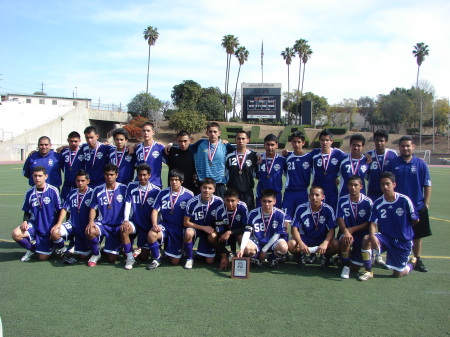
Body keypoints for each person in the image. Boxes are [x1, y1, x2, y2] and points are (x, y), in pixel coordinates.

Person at [358, 172, 419, 281]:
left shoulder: (404, 200)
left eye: (388, 184)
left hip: (402, 240)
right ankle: (368, 271)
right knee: (366, 239)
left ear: (394, 184)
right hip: (386, 238)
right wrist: (372, 235)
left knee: (398, 274)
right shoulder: (378, 203)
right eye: (382, 184)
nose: (385, 187)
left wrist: (404, 230)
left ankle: (412, 264)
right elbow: (372, 223)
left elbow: (415, 219)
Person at [385, 136, 432, 272]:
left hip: (417, 206)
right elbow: (387, 183)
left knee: (417, 235)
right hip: (398, 207)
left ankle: (417, 259)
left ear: (413, 147)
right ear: (399, 148)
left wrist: (426, 204)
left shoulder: (421, 164)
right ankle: (392, 258)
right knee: (393, 233)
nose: (405, 148)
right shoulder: (393, 163)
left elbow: (427, 184)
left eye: (408, 146)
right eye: (402, 146)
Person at [146, 169, 194, 269]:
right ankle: (157, 258)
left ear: (181, 181)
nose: (174, 182)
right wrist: (155, 224)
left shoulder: (189, 195)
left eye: (176, 180)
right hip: (165, 225)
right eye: (172, 179)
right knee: (152, 234)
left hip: (179, 228)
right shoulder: (163, 193)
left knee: (174, 262)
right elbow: (155, 210)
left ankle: (186, 254)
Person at [12, 166, 62, 261]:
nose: (37, 178)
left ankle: (53, 245)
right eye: (35, 176)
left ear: (46, 176)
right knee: (16, 233)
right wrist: (25, 222)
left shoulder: (53, 190)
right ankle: (32, 249)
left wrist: (57, 224)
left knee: (42, 258)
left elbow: (60, 210)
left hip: (48, 228)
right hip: (34, 225)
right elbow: (27, 210)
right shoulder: (29, 192)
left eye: (40, 176)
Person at [85, 164, 128, 266]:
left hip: (117, 226)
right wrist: (91, 222)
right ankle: (96, 254)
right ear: (104, 175)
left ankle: (115, 246)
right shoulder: (97, 190)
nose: (109, 177)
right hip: (102, 224)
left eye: (112, 174)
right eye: (107, 174)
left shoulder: (124, 188)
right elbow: (93, 208)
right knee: (90, 231)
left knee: (111, 259)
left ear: (116, 175)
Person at [288, 185, 339, 270]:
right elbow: (294, 229)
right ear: (309, 196)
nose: (314, 197)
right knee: (291, 244)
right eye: (312, 195)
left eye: (317, 195)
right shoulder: (301, 208)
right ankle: (300, 256)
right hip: (306, 238)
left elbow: (331, 230)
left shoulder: (328, 209)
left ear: (322, 197)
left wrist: (325, 243)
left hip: (321, 238)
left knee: (336, 244)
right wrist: (301, 244)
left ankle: (326, 257)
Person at [120, 164, 160, 270]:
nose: (142, 177)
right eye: (140, 175)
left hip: (147, 226)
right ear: (137, 176)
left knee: (144, 258)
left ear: (149, 175)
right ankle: (129, 258)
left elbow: (158, 211)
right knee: (124, 229)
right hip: (135, 222)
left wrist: (155, 224)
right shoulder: (132, 186)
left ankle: (142, 250)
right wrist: (126, 220)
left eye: (144, 175)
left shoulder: (156, 191)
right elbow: (128, 203)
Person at [237, 188, 288, 269]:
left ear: (274, 201)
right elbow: (247, 232)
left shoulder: (280, 214)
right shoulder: (253, 213)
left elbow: (277, 235)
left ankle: (272, 258)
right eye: (264, 201)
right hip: (257, 241)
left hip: (272, 240)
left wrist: (264, 250)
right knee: (247, 248)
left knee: (283, 247)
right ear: (260, 201)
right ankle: (257, 259)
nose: (267, 204)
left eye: (269, 201)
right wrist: (242, 249)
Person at [50, 170, 93, 260]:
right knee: (54, 233)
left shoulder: (92, 193)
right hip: (72, 224)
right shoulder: (72, 193)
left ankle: (90, 247)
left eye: (82, 181)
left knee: (83, 257)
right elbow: (65, 208)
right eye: (78, 181)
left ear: (88, 181)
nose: (80, 183)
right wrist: (58, 223)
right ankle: (64, 249)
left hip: (84, 227)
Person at [336, 175, 373, 279]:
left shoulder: (368, 202)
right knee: (345, 239)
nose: (353, 187)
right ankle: (345, 266)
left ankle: (355, 259)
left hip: (361, 234)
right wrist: (346, 232)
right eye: (351, 185)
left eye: (356, 185)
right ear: (347, 186)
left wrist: (352, 229)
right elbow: (340, 218)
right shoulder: (342, 200)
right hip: (347, 233)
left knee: (356, 268)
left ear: (361, 186)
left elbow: (369, 222)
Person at [183, 177, 223, 269]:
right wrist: (203, 228)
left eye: (210, 188)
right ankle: (189, 258)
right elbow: (186, 223)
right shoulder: (192, 202)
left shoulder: (219, 201)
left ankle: (218, 252)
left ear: (214, 190)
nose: (207, 190)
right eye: (204, 187)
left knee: (210, 262)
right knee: (188, 232)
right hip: (196, 228)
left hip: (210, 230)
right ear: (201, 188)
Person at [189, 122, 234, 199]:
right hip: (203, 183)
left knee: (220, 208)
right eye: (210, 131)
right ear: (207, 133)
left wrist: (256, 154)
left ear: (219, 133)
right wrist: (171, 145)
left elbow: (241, 151)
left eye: (215, 132)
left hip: (219, 183)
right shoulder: (200, 143)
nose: (213, 134)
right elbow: (185, 146)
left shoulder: (225, 145)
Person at [310, 129, 347, 211]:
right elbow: (301, 155)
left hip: (331, 191)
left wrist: (366, 155)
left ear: (331, 141)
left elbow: (352, 157)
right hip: (317, 191)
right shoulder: (314, 153)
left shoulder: (338, 153)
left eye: (327, 140)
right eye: (322, 140)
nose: (325, 142)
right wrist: (287, 153)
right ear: (319, 141)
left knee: (332, 215)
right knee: (317, 214)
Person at [215, 188, 249, 270]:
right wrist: (224, 257)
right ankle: (224, 254)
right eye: (227, 200)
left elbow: (246, 227)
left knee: (241, 236)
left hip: (237, 232)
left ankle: (242, 257)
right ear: (224, 200)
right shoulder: (219, 210)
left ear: (238, 200)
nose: (230, 203)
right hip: (224, 233)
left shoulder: (242, 207)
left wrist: (230, 232)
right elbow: (220, 233)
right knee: (215, 236)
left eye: (232, 201)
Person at [282, 131, 312, 220]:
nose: (296, 144)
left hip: (302, 192)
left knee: (301, 219)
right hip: (289, 192)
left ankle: (299, 235)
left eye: (299, 142)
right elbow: (284, 171)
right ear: (291, 143)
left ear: (303, 143)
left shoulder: (309, 157)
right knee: (285, 219)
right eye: (294, 142)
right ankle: (284, 235)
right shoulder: (287, 156)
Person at [225, 131, 257, 210]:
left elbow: (254, 174)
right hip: (232, 192)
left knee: (248, 215)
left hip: (247, 192)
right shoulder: (229, 156)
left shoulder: (253, 156)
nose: (241, 141)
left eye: (243, 138)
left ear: (248, 140)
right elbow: (226, 173)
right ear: (235, 140)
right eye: (238, 138)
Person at [255, 134, 286, 208]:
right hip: (261, 195)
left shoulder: (282, 160)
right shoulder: (258, 158)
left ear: (277, 145)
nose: (270, 147)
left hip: (276, 196)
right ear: (264, 145)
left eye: (272, 145)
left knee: (275, 218)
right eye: (267, 144)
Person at [366, 130, 398, 201]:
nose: (379, 143)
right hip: (373, 193)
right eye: (377, 140)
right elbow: (365, 174)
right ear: (374, 141)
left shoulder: (392, 154)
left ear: (385, 141)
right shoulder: (369, 155)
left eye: (381, 141)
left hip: (388, 192)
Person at [338, 134, 370, 198]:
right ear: (350, 145)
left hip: (361, 197)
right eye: (354, 145)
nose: (356, 148)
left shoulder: (367, 160)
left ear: (362, 146)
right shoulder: (342, 158)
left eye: (359, 145)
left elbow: (369, 178)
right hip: (344, 196)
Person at [134, 122, 165, 188]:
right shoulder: (137, 148)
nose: (146, 133)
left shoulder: (160, 147)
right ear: (141, 132)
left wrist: (171, 144)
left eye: (148, 131)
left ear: (153, 132)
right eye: (144, 131)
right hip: (139, 184)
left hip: (155, 184)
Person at [60, 132, 85, 201]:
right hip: (67, 186)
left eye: (75, 141)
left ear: (79, 141)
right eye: (71, 141)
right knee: (64, 207)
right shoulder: (63, 152)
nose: (73, 143)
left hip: (80, 186)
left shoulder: (84, 151)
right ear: (68, 140)